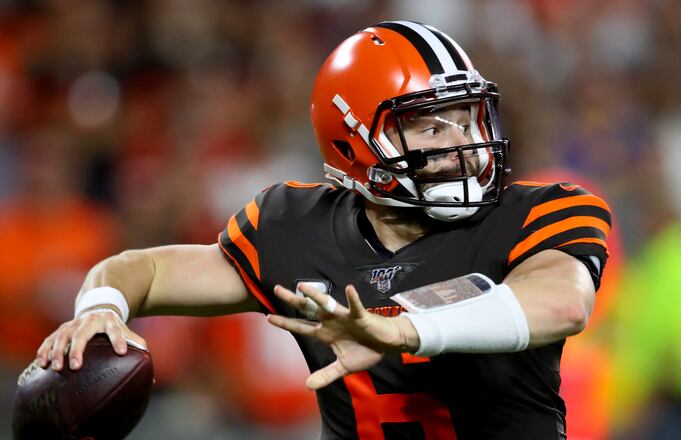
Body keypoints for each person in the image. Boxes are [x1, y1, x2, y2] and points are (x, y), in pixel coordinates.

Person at [36, 21, 611, 439]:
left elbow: (562, 304)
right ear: (354, 142)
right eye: (431, 129)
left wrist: (406, 329)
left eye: (467, 119)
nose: (463, 145)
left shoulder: (541, 209)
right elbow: (148, 268)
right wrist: (103, 307)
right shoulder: (292, 227)